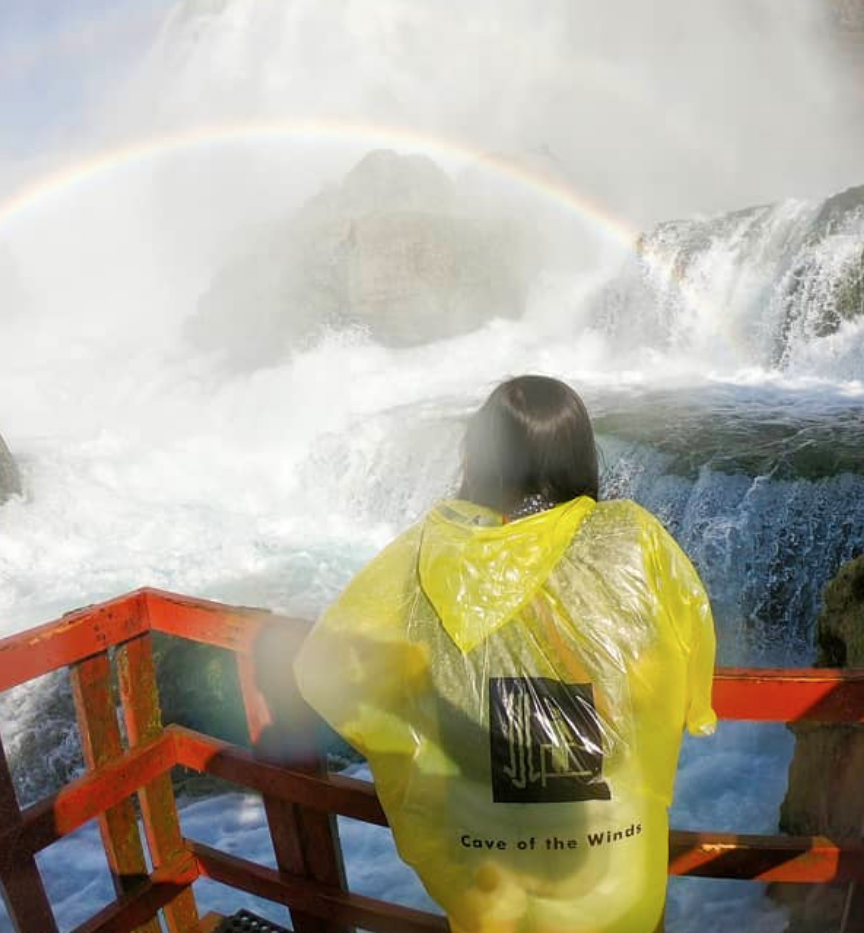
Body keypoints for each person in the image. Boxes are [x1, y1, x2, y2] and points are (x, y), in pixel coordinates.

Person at [294, 375, 717, 933]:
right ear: (579, 453)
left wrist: (410, 732)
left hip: (488, 880)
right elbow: (687, 640)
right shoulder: (630, 538)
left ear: (483, 454)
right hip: (616, 879)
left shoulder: (429, 553)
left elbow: (325, 667)